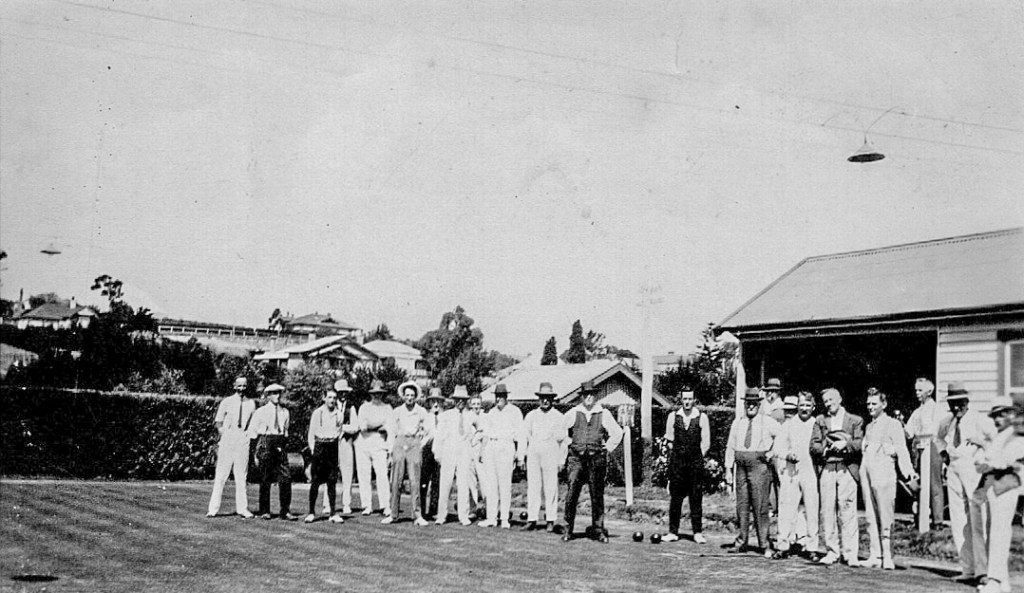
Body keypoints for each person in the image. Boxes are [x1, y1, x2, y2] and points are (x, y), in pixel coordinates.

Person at [935, 382, 996, 585]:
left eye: (959, 403)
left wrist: (982, 443)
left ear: (967, 402)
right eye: (952, 404)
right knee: (958, 518)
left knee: (977, 518)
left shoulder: (979, 419)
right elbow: (938, 438)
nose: (956, 408)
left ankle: (983, 570)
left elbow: (995, 441)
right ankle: (967, 568)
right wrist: (944, 454)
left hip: (973, 468)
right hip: (954, 468)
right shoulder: (947, 421)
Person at [561, 381, 624, 543]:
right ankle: (568, 529)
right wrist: (569, 442)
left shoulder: (603, 413)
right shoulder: (574, 412)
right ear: (581, 396)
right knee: (571, 494)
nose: (589, 397)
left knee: (597, 495)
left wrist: (607, 448)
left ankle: (598, 529)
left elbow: (617, 433)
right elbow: (558, 430)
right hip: (576, 459)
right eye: (585, 394)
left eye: (591, 394)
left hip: (596, 459)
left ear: (595, 396)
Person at [860, 389, 916, 569]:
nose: (870, 407)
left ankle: (887, 555)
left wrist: (908, 471)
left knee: (886, 513)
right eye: (868, 404)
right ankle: (874, 555)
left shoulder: (893, 424)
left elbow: (902, 449)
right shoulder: (869, 427)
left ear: (884, 405)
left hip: (884, 470)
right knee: (870, 513)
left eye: (874, 403)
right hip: (867, 468)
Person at [973, 397, 1024, 593]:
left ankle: (994, 579)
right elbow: (982, 461)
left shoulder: (1016, 436)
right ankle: (1002, 581)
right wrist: (987, 461)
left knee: (999, 533)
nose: (998, 419)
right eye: (995, 415)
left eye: (1003, 414)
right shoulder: (1000, 436)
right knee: (997, 532)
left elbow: (1004, 461)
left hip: (1006, 485)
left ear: (1012, 415)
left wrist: (990, 462)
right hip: (994, 485)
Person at [810, 387, 864, 566]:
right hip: (827, 467)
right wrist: (826, 447)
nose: (828, 404)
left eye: (831, 399)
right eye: (825, 401)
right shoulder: (820, 420)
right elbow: (814, 445)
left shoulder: (855, 420)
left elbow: (860, 443)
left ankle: (850, 554)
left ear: (839, 399)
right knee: (827, 510)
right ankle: (832, 551)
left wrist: (845, 443)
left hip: (846, 468)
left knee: (847, 509)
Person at [725, 388, 780, 556]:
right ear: (744, 404)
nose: (751, 406)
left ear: (759, 404)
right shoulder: (738, 422)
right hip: (740, 466)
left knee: (760, 505)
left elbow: (783, 436)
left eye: (754, 403)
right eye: (748, 403)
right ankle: (742, 541)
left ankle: (764, 543)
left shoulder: (768, 421)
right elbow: (730, 446)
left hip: (759, 466)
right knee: (742, 506)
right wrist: (728, 469)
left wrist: (772, 453)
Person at [771, 392, 819, 560]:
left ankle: (811, 547)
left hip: (810, 471)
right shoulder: (789, 425)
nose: (804, 408)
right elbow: (777, 448)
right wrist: (787, 454)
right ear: (797, 406)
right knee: (786, 509)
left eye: (808, 405)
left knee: (812, 509)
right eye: (801, 405)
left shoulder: (817, 424)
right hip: (792, 470)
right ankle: (783, 545)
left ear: (813, 407)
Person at [662, 389, 710, 544]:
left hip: (695, 464)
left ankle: (697, 532)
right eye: (685, 399)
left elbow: (706, 442)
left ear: (694, 399)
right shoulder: (673, 417)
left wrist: (696, 458)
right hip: (677, 463)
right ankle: (673, 532)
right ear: (681, 400)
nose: (687, 402)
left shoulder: (702, 417)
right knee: (675, 498)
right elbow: (669, 440)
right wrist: (677, 457)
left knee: (696, 498)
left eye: (690, 399)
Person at [207, 376, 257, 518]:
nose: (242, 388)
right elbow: (218, 422)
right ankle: (213, 509)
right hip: (228, 439)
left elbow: (253, 423)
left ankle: (243, 509)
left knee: (241, 476)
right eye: (239, 386)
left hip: (242, 440)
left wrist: (248, 435)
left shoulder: (251, 404)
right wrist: (225, 435)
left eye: (244, 386)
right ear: (234, 386)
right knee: (221, 475)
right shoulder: (227, 402)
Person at [520, 382, 566, 532]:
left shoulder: (558, 417)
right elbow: (524, 437)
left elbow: (563, 440)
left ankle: (550, 520)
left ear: (552, 399)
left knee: (551, 487)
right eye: (542, 397)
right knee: (533, 486)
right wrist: (522, 456)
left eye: (548, 398)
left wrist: (561, 460)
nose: (545, 401)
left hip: (551, 452)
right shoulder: (531, 416)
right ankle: (532, 519)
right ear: (538, 399)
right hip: (534, 452)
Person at [383, 381, 431, 525]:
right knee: (396, 480)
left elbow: (429, 432)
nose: (409, 398)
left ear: (415, 396)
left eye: (412, 395)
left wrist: (420, 444)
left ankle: (417, 516)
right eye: (407, 395)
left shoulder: (421, 411)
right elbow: (391, 431)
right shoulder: (397, 411)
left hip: (414, 444)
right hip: (399, 442)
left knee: (415, 481)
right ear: (403, 396)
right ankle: (393, 514)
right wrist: (390, 450)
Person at [478, 383, 523, 528]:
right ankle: (491, 518)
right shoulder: (491, 412)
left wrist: (519, 455)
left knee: (504, 485)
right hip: (491, 447)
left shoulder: (515, 412)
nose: (499, 399)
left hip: (506, 447)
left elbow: (520, 435)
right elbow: (485, 434)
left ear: (507, 396)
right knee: (491, 485)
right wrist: (482, 451)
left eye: (502, 396)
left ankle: (504, 518)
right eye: (497, 396)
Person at [904, 377, 946, 530]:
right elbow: (908, 432)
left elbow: (937, 431)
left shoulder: (936, 409)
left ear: (929, 391)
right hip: (919, 449)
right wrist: (900, 423)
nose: (917, 393)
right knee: (918, 483)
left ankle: (938, 521)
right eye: (916, 390)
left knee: (934, 484)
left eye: (920, 390)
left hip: (932, 447)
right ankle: (920, 518)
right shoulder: (917, 411)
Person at [251, 383, 297, 520]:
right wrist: (257, 451)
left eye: (278, 393)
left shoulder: (285, 412)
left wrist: (282, 444)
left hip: (280, 442)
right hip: (266, 441)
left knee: (286, 478)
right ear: (268, 395)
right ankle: (265, 510)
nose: (277, 396)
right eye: (274, 393)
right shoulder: (261, 412)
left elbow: (286, 430)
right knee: (265, 478)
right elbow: (253, 432)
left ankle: (285, 510)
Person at [434, 385, 475, 525]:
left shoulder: (471, 415)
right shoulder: (446, 415)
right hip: (449, 450)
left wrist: (472, 444)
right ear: (454, 400)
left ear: (466, 401)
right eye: (458, 399)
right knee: (445, 484)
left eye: (463, 400)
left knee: (463, 484)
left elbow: (481, 429)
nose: (460, 402)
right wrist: (437, 453)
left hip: (464, 451)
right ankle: (441, 515)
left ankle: (463, 516)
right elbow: (439, 436)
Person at [305, 389, 346, 524]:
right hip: (319, 447)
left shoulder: (339, 414)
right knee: (315, 482)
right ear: (324, 398)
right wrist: (313, 450)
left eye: (334, 398)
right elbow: (311, 433)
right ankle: (311, 512)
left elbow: (339, 432)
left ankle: (333, 513)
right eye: (329, 397)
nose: (332, 400)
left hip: (332, 447)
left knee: (332, 482)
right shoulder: (317, 413)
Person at [355, 379, 393, 517]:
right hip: (363, 443)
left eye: (379, 393)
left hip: (380, 443)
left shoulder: (388, 408)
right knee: (364, 475)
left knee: (382, 474)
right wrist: (380, 426)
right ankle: (367, 505)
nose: (377, 396)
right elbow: (363, 427)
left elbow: (390, 428)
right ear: (371, 394)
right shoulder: (364, 407)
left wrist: (390, 449)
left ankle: (386, 505)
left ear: (383, 394)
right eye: (374, 393)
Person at [322, 379, 359, 515]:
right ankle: (327, 504)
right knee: (330, 475)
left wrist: (343, 428)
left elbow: (356, 427)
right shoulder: (329, 406)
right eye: (340, 392)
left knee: (347, 474)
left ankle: (346, 504)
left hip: (346, 443)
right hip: (331, 443)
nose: (343, 395)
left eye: (345, 392)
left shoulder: (351, 408)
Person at [419, 387, 445, 521]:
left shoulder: (445, 417)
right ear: (429, 403)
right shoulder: (425, 417)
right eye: (433, 401)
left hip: (440, 450)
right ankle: (421, 510)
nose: (435, 404)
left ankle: (434, 509)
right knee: (424, 481)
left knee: (437, 481)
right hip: (427, 449)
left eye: (438, 401)